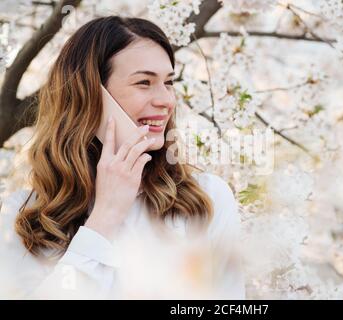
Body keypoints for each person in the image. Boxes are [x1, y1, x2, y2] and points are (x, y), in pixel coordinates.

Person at [0, 16, 245, 299]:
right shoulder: (24, 218)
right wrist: (104, 218)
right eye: (144, 82)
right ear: (90, 94)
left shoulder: (206, 200)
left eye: (168, 82)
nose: (166, 100)